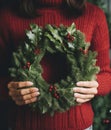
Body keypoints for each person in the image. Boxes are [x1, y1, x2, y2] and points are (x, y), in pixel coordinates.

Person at [0, 0, 111, 130]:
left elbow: (106, 74)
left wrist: (96, 85)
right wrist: (9, 89)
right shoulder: (6, 17)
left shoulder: (93, 15)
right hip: (23, 125)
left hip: (78, 125)